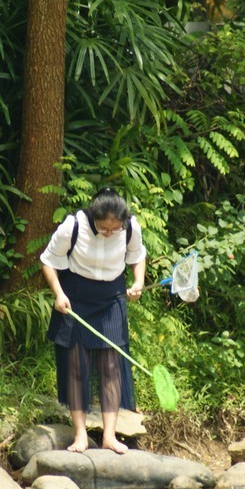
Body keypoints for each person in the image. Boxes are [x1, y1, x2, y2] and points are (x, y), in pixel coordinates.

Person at [40, 188, 147, 454]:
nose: (110, 232)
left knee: (111, 366)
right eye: (103, 228)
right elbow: (48, 260)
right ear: (93, 217)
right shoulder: (73, 226)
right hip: (75, 296)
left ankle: (110, 436)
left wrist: (138, 283)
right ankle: (80, 436)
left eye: (115, 228)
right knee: (76, 366)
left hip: (111, 297)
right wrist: (59, 293)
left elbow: (138, 256)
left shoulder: (131, 227)